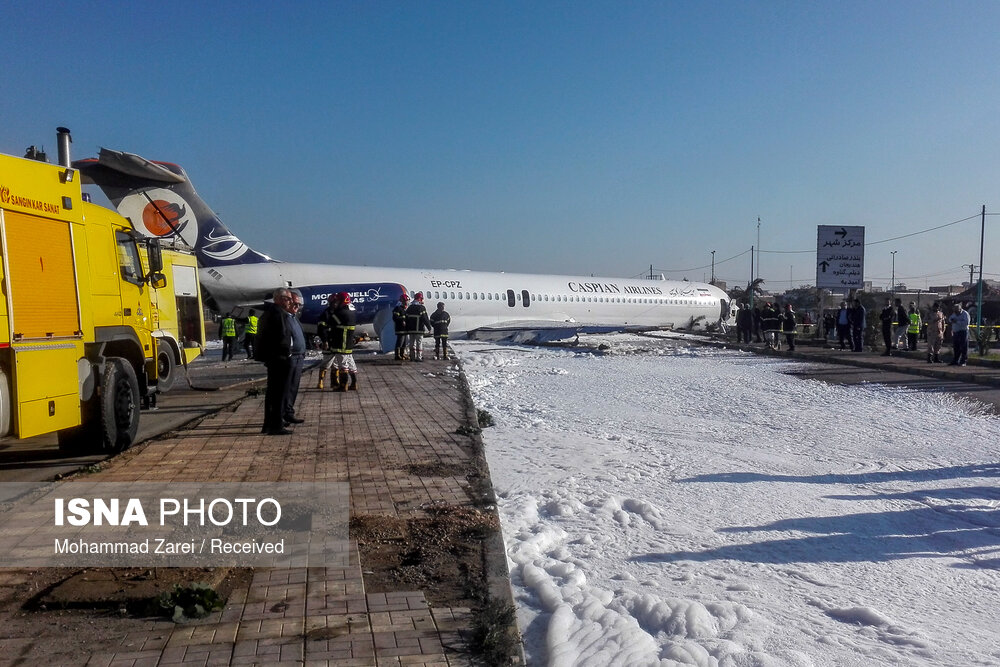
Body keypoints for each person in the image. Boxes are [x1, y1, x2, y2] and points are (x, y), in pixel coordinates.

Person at [254, 287, 306, 435]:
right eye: (289, 299)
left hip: (277, 358)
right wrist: (286, 353)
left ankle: (271, 424)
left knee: (276, 393)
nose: (291, 302)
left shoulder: (274, 313)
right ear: (281, 299)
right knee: (278, 394)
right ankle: (275, 425)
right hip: (280, 359)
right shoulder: (278, 314)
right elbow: (282, 337)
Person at [326, 292, 358, 390]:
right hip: (348, 343)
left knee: (342, 364)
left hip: (341, 342)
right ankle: (354, 384)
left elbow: (331, 322)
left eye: (338, 300)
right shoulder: (352, 311)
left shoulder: (339, 313)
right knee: (351, 363)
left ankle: (343, 385)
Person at [405, 292, 432, 361]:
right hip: (419, 329)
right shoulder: (421, 308)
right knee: (419, 343)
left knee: (412, 343)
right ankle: (418, 357)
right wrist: (429, 327)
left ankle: (412, 356)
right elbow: (425, 318)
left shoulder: (410, 308)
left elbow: (406, 318)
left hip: (411, 330)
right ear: (420, 299)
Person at [948, 302, 970, 366]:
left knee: (963, 347)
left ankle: (963, 361)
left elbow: (966, 323)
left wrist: (957, 321)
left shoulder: (965, 314)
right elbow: (950, 319)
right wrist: (951, 320)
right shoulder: (954, 314)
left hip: (963, 332)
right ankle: (955, 360)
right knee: (956, 347)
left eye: (957, 311)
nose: (955, 313)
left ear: (960, 309)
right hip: (955, 332)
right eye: (954, 311)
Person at [393, 293, 410, 360]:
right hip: (400, 328)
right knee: (400, 342)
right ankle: (397, 355)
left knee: (404, 343)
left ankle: (402, 354)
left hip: (405, 329)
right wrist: (402, 320)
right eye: (406, 301)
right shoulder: (398, 309)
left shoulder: (405, 309)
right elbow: (395, 317)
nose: (407, 302)